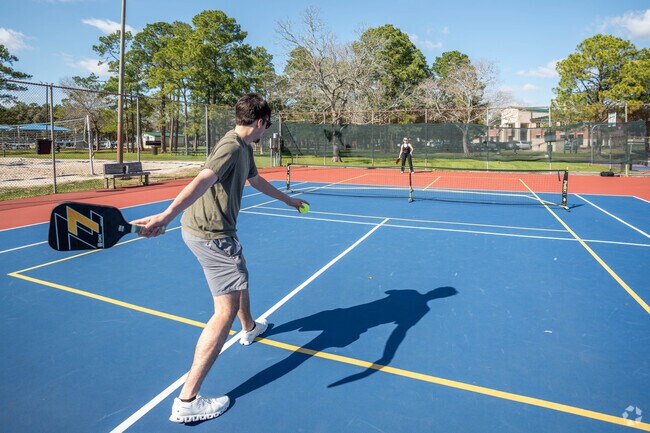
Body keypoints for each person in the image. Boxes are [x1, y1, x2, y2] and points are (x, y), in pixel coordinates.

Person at [132, 93, 308, 424]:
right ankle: (187, 401)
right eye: (266, 126)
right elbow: (203, 179)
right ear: (259, 122)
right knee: (222, 312)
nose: (266, 131)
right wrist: (166, 215)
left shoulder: (244, 148)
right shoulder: (230, 147)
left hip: (213, 232)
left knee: (240, 276)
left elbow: (254, 180)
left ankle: (250, 327)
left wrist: (287, 199)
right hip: (212, 236)